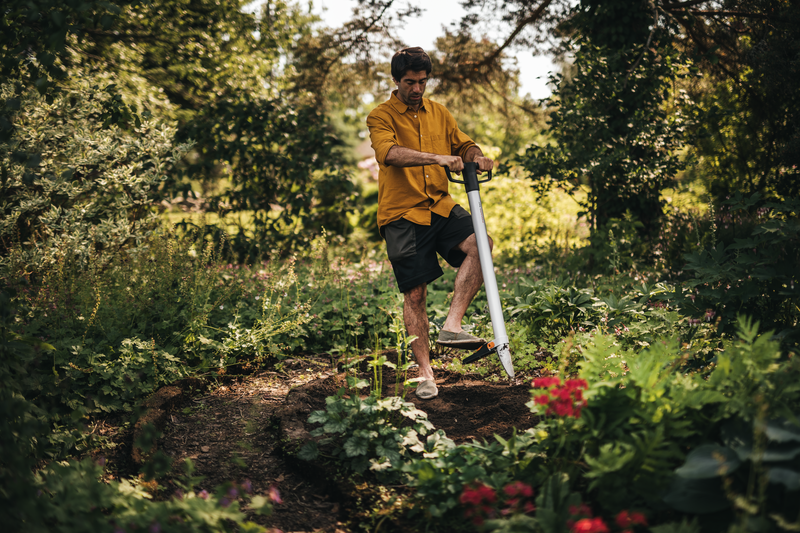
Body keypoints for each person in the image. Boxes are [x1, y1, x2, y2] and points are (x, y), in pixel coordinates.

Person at [366, 47, 495, 400]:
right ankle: (425, 374)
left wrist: (476, 156)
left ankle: (452, 326)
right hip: (402, 215)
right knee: (416, 294)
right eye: (410, 82)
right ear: (396, 81)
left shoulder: (439, 113)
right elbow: (388, 153)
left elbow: (464, 144)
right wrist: (437, 158)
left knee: (481, 245)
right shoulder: (380, 116)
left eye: (423, 82)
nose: (417, 89)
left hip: (439, 206)